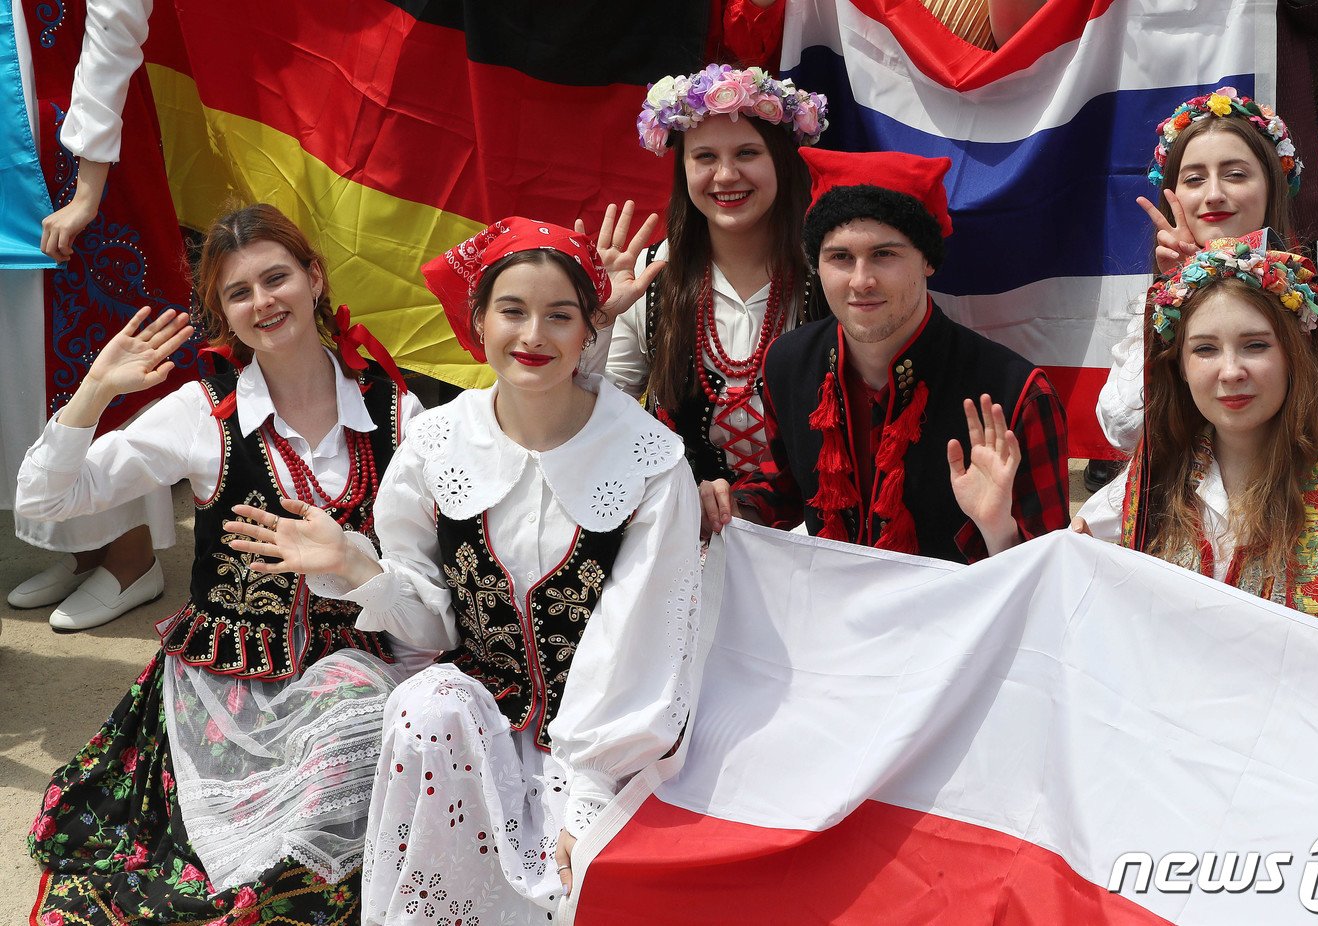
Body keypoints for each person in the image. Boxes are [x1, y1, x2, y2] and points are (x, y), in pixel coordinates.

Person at [226, 217, 703, 924]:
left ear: (590, 329)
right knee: (426, 705)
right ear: (478, 322)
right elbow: (428, 627)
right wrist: (360, 567)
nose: (533, 336)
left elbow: (642, 636)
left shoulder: (651, 461)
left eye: (559, 316)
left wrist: (593, 791)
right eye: (512, 311)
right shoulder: (438, 443)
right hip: (478, 729)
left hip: (614, 739)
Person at [18, 204, 424, 924]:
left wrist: (355, 564)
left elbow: (428, 580)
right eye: (240, 292)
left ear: (315, 277)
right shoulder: (198, 414)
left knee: (358, 732)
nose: (264, 302)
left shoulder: (397, 412)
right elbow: (47, 499)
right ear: (221, 314)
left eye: (278, 278)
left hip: (358, 667)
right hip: (228, 686)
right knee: (259, 856)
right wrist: (97, 391)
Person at [712, 147, 1070, 560]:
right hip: (827, 614)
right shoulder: (788, 362)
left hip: (958, 621)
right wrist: (729, 506)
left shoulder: (1017, 393)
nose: (861, 281)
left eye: (884, 254)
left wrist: (998, 530)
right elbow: (785, 487)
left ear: (927, 261)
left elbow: (1048, 576)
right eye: (841, 257)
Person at [1076, 240, 1318, 636]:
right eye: (1206, 349)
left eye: (1256, 345)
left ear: (1294, 355)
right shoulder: (1147, 487)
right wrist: (1000, 530)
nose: (1231, 372)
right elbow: (1071, 600)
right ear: (1180, 367)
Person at [4, 0, 193, 631]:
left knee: (100, 347)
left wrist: (89, 183)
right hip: (21, 148)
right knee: (37, 346)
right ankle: (78, 544)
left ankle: (131, 556)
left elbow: (115, 24)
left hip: (84, 142)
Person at [1096, 86, 1318, 466]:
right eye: (1193, 180)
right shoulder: (1164, 306)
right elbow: (1124, 428)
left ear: (1272, 186)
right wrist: (1174, 294)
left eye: (1235, 175)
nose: (1214, 195)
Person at [585, 62, 828, 485]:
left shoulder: (830, 273)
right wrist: (598, 320)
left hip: (807, 534)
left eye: (747, 153)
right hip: (681, 524)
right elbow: (599, 419)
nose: (726, 175)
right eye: (705, 157)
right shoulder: (650, 274)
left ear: (783, 163)